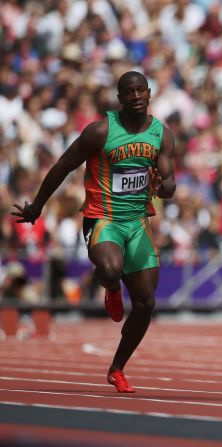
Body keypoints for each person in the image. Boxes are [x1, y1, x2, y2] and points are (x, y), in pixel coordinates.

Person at [12, 71, 176, 392]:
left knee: (146, 304)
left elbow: (169, 184)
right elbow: (62, 166)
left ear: (150, 93)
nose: (136, 96)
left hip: (138, 223)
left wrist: (161, 185)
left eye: (141, 90)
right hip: (103, 219)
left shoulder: (162, 135)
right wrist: (38, 207)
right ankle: (111, 286)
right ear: (120, 98)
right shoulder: (100, 131)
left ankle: (117, 368)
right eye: (129, 92)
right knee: (111, 268)